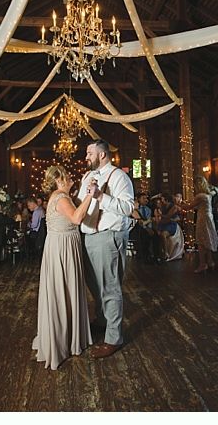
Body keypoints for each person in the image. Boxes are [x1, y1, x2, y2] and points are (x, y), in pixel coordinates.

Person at [78, 140, 135, 359]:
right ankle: (102, 320)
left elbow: (128, 208)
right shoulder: (86, 177)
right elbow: (80, 203)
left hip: (108, 236)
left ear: (102, 155)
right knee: (94, 284)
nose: (86, 157)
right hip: (88, 236)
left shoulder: (119, 177)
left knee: (110, 288)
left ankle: (113, 338)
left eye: (89, 152)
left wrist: (101, 196)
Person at [33, 165, 94, 370]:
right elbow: (77, 218)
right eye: (67, 178)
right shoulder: (61, 198)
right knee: (64, 291)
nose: (70, 180)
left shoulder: (57, 197)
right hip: (63, 249)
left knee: (63, 290)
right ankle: (65, 339)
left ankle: (67, 335)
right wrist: (90, 195)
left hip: (60, 246)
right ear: (58, 181)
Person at [181, 176, 218, 273]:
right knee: (208, 239)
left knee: (201, 241)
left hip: (202, 219)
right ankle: (210, 262)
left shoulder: (200, 196)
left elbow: (188, 207)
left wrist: (178, 204)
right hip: (209, 218)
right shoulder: (209, 194)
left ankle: (203, 264)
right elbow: (216, 190)